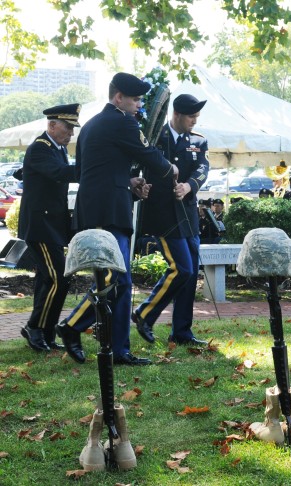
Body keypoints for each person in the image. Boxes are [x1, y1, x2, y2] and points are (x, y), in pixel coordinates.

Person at [57, 72, 178, 366]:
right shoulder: (122, 121)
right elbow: (147, 153)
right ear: (118, 98)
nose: (138, 105)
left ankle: (117, 348)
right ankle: (74, 327)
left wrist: (128, 183)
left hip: (97, 208)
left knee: (116, 281)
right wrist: (170, 169)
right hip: (108, 212)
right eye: (135, 99)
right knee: (116, 279)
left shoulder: (91, 126)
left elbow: (90, 170)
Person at [132, 94, 209, 346]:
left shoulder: (198, 141)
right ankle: (145, 313)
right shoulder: (154, 137)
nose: (195, 121)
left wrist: (189, 186)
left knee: (189, 274)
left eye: (197, 116)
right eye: (191, 116)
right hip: (163, 215)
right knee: (182, 268)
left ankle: (182, 332)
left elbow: (202, 169)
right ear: (176, 114)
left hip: (187, 214)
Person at [18, 103, 81, 352]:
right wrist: (94, 168)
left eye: (73, 128)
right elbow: (59, 173)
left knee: (48, 279)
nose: (71, 133)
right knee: (59, 278)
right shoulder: (40, 148)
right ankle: (35, 327)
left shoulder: (58, 148)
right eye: (68, 127)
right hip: (40, 225)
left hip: (51, 225)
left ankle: (44, 331)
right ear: (52, 125)